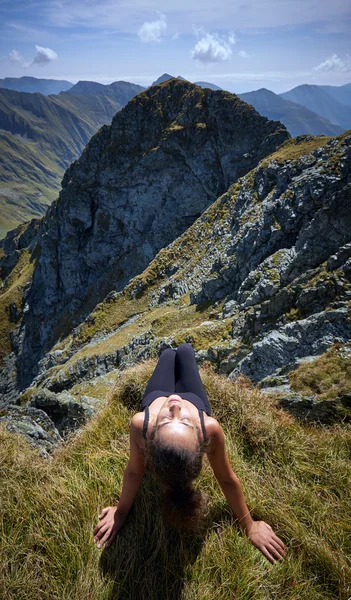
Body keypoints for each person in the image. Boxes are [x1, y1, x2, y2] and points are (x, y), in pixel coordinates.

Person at [93, 343, 287, 564]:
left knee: (167, 354)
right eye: (184, 421)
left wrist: (121, 512)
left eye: (165, 420)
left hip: (155, 395)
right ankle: (179, 351)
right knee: (185, 350)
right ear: (200, 439)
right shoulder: (209, 428)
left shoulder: (141, 425)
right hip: (195, 396)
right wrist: (249, 526)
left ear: (152, 437)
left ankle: (167, 352)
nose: (175, 406)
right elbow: (226, 479)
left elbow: (135, 472)